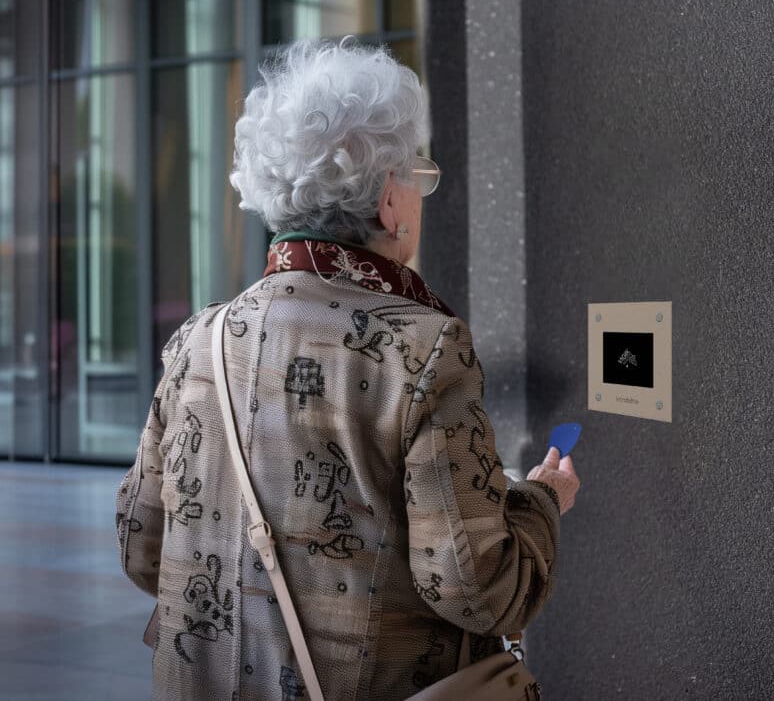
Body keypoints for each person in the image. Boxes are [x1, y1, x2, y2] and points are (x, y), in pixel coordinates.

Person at [115, 38, 580, 701]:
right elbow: (478, 586)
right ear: (389, 201)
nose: (419, 197)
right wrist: (539, 502)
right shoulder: (423, 347)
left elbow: (142, 547)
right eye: (417, 176)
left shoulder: (198, 340)